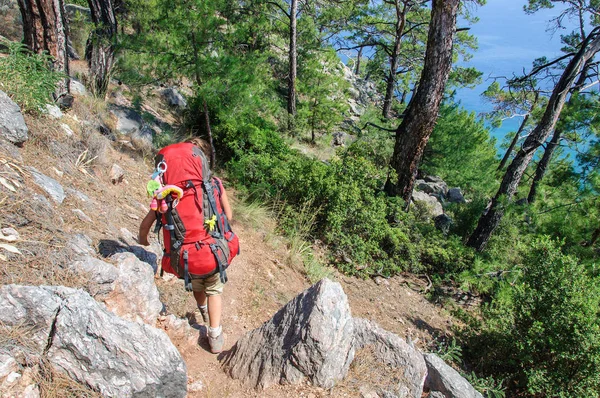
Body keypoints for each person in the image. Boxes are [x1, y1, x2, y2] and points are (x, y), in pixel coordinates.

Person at [138, 138, 234, 354]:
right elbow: (228, 216)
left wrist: (142, 241)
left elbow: (145, 226)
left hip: (184, 258)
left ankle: (202, 312)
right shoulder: (215, 185)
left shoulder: (167, 196)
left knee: (197, 285)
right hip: (212, 254)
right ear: (202, 162)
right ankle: (215, 335)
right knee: (214, 290)